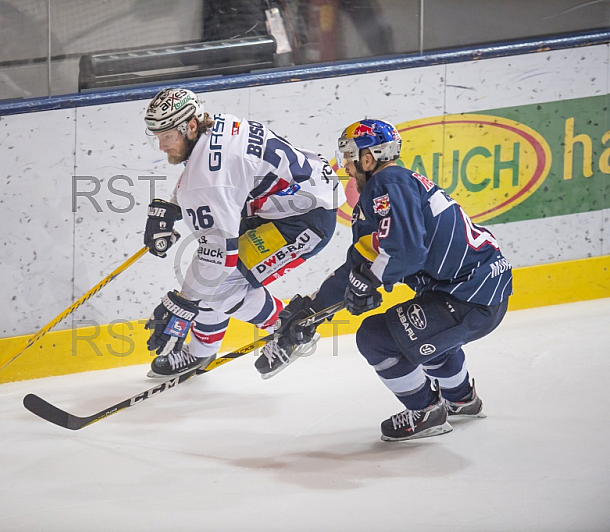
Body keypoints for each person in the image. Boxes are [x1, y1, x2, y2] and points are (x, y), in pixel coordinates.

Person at [267, 119, 512, 442]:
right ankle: (462, 399)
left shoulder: (389, 184)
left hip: (469, 296)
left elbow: (406, 251)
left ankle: (426, 411)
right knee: (425, 335)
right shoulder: (389, 192)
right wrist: (312, 310)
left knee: (375, 337)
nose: (346, 167)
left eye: (349, 157)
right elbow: (360, 262)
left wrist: (368, 280)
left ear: (368, 158)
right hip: (477, 290)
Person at [142, 87, 342, 380]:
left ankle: (290, 328)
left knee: (216, 284)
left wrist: (182, 305)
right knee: (207, 280)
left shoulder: (207, 179)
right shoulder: (219, 125)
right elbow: (210, 173)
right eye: (156, 136)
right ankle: (200, 353)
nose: (161, 145)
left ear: (192, 126)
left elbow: (218, 255)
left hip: (304, 220)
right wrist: (174, 207)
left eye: (167, 136)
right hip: (288, 201)